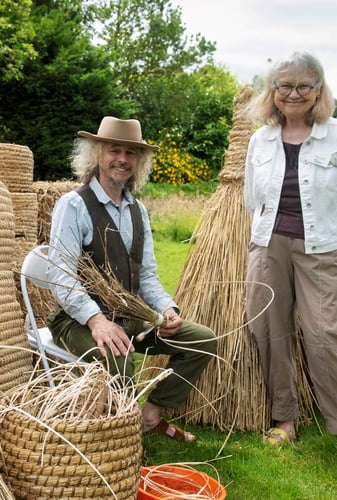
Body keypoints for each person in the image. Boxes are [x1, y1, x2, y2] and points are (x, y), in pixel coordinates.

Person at [243, 51, 337, 480]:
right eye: (284, 86)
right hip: (268, 247)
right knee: (269, 330)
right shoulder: (260, 141)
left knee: (331, 337)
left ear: (319, 90)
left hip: (325, 250)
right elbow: (252, 199)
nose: (293, 93)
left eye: (303, 85)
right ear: (273, 92)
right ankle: (283, 419)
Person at [46, 116, 217, 442]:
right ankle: (122, 444)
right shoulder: (74, 205)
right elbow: (61, 275)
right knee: (119, 356)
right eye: (114, 150)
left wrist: (167, 310)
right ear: (97, 154)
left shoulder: (138, 210)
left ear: (139, 162)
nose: (122, 159)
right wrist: (97, 321)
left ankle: (150, 414)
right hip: (78, 320)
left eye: (131, 153)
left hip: (131, 317)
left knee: (201, 339)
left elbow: (148, 276)